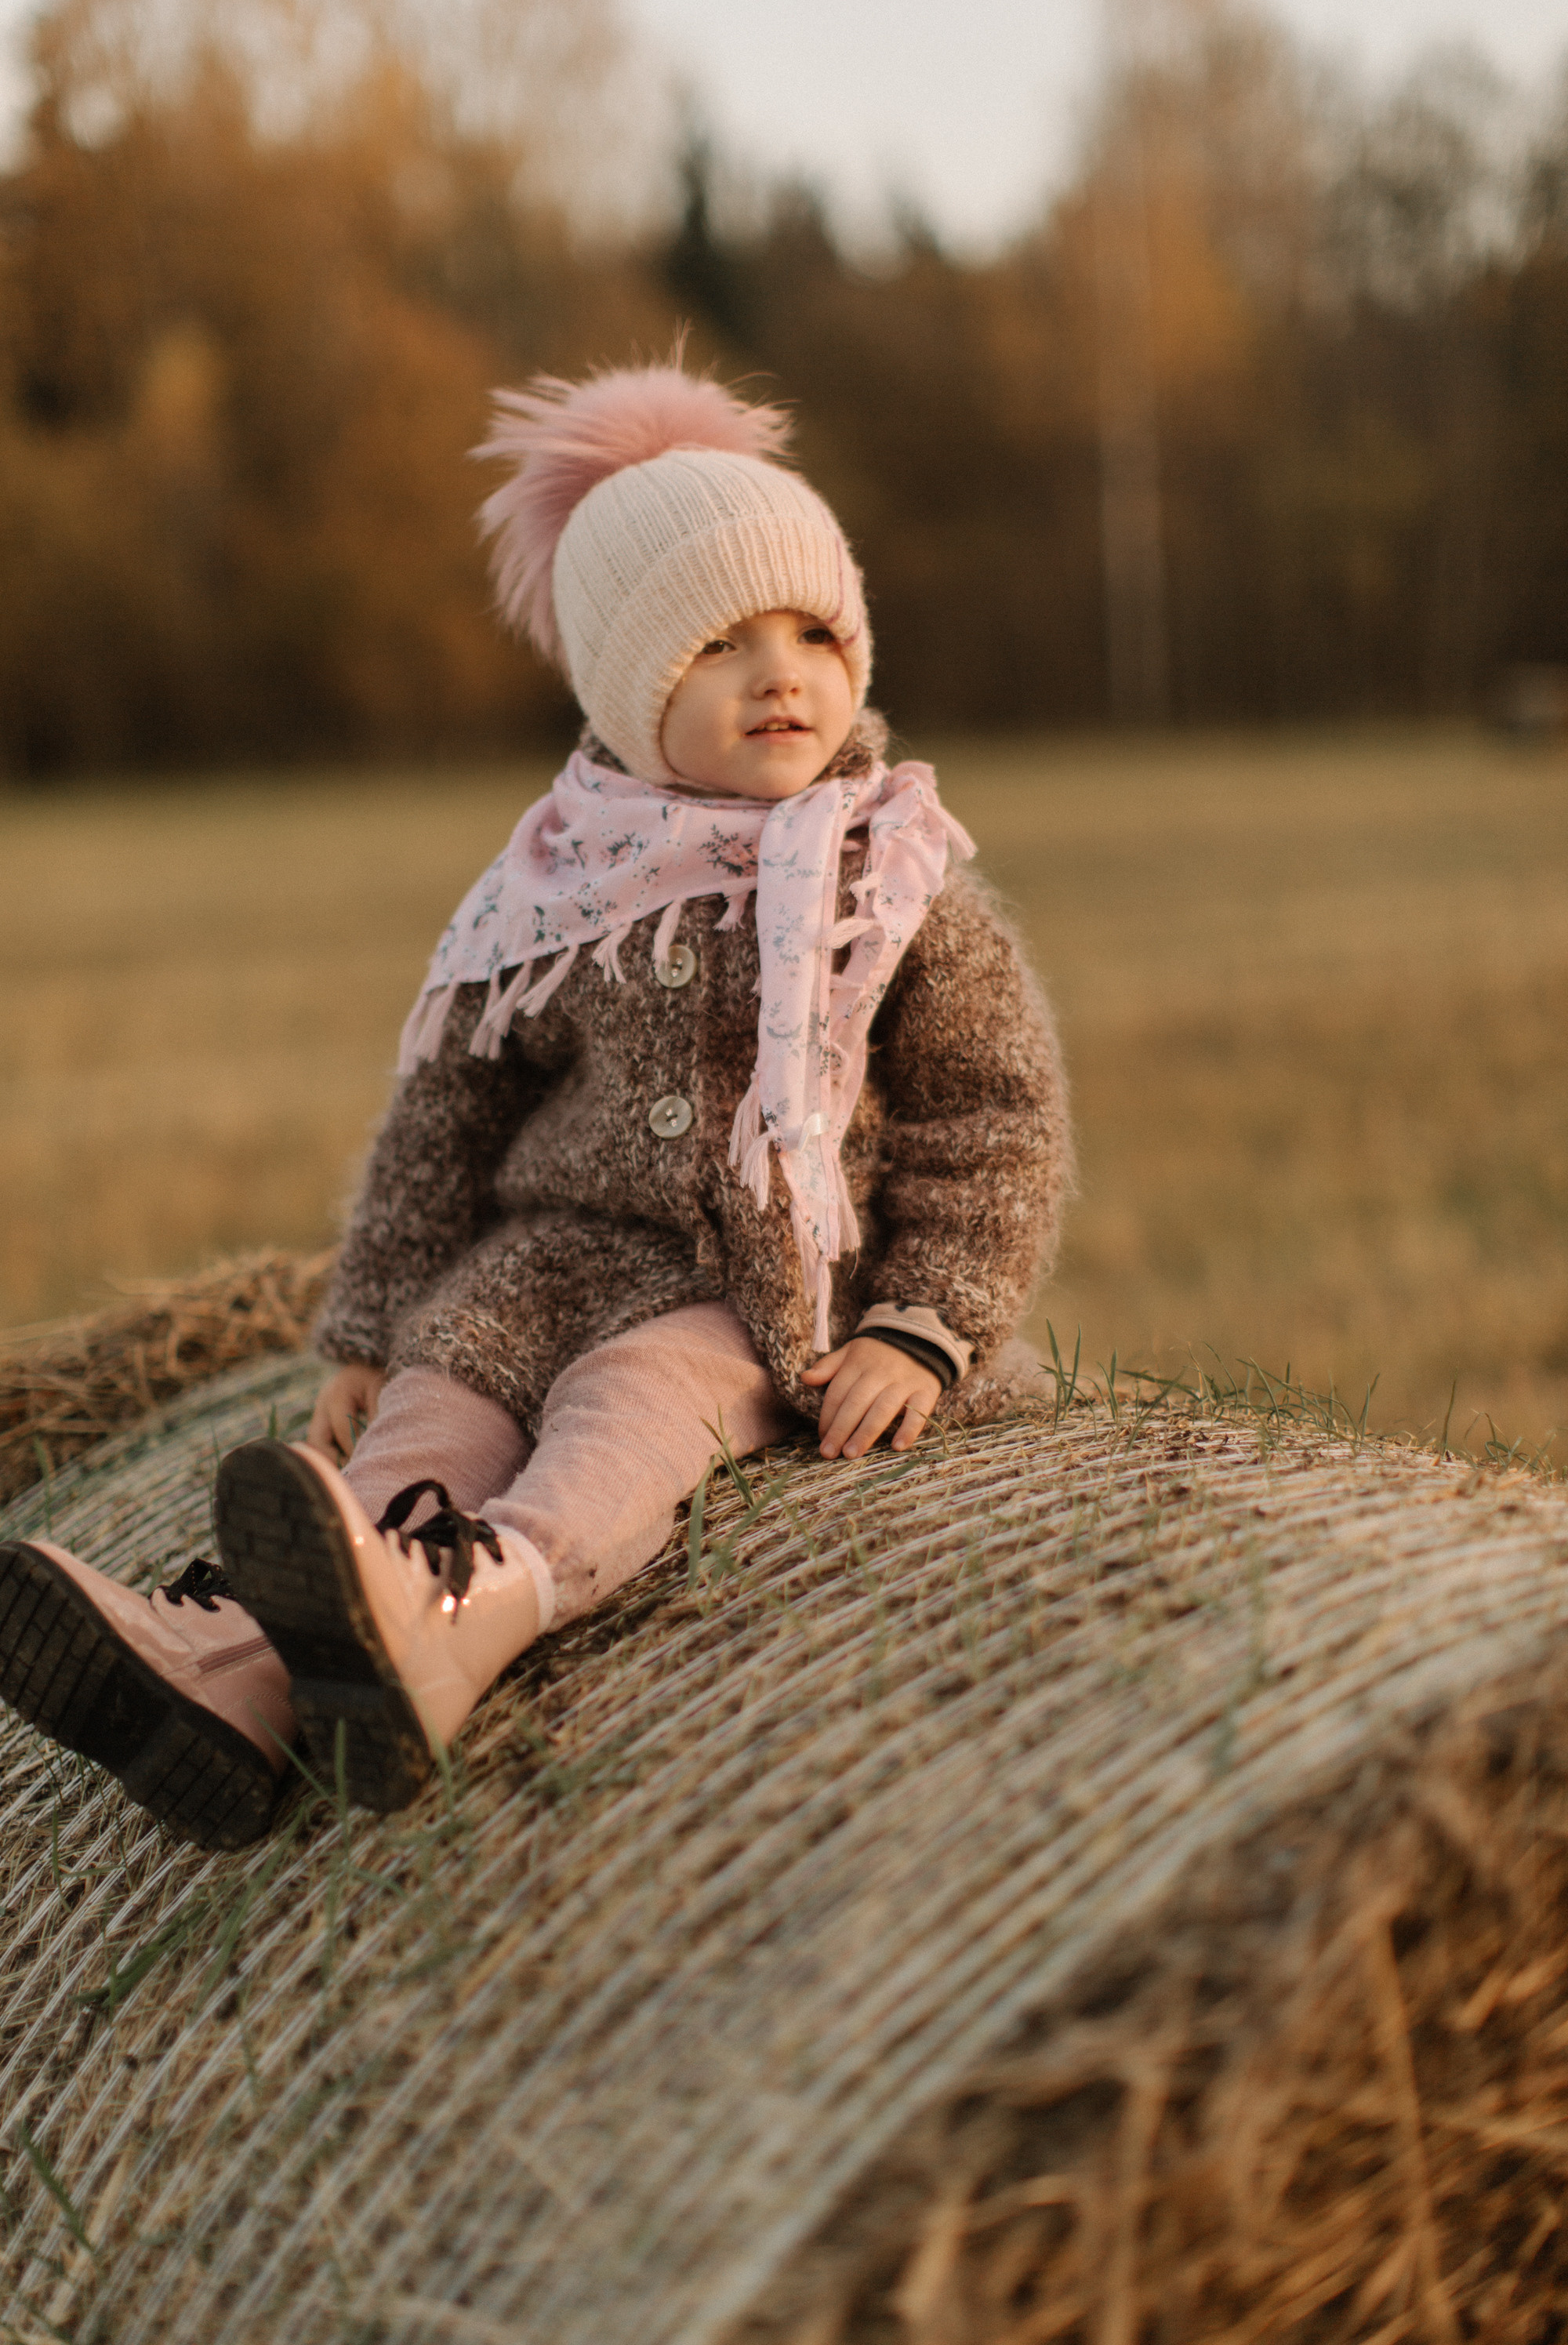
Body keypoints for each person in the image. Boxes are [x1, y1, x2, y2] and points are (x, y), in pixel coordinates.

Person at [0, 360, 1072, 1850]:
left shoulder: (894, 882)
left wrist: (925, 1319)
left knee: (625, 1415)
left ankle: (476, 1603)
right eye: (721, 644)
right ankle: (246, 1664)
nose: (784, 674)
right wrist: (376, 1322)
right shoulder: (559, 886)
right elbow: (444, 1119)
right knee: (438, 1405)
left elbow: (992, 1122)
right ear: (630, 697)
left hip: (758, 1283)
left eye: (817, 633)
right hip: (552, 1257)